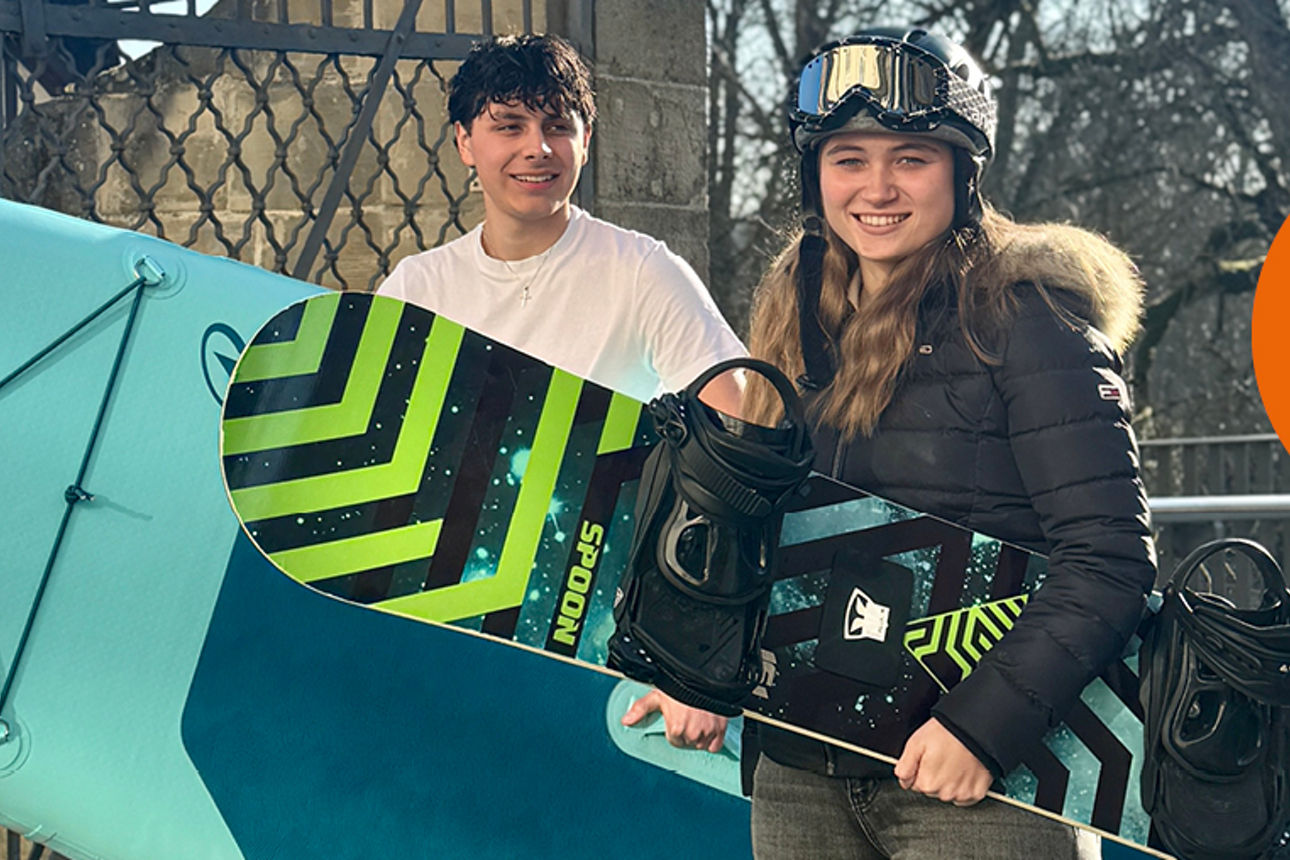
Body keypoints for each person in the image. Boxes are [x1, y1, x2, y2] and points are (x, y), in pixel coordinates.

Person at [742, 27, 1157, 858]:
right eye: (848, 158)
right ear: (814, 172)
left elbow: (1110, 561)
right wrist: (700, 674)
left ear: (962, 170)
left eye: (911, 158)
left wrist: (981, 729)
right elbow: (765, 522)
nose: (877, 187)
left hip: (983, 787)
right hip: (802, 770)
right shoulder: (794, 316)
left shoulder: (1025, 317)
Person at [378, 33, 742, 754]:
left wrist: (695, 653)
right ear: (464, 143)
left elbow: (735, 435)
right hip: (450, 632)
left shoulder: (642, 272)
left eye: (558, 126)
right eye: (508, 125)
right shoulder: (417, 288)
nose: (536, 149)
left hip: (598, 633)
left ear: (586, 138)